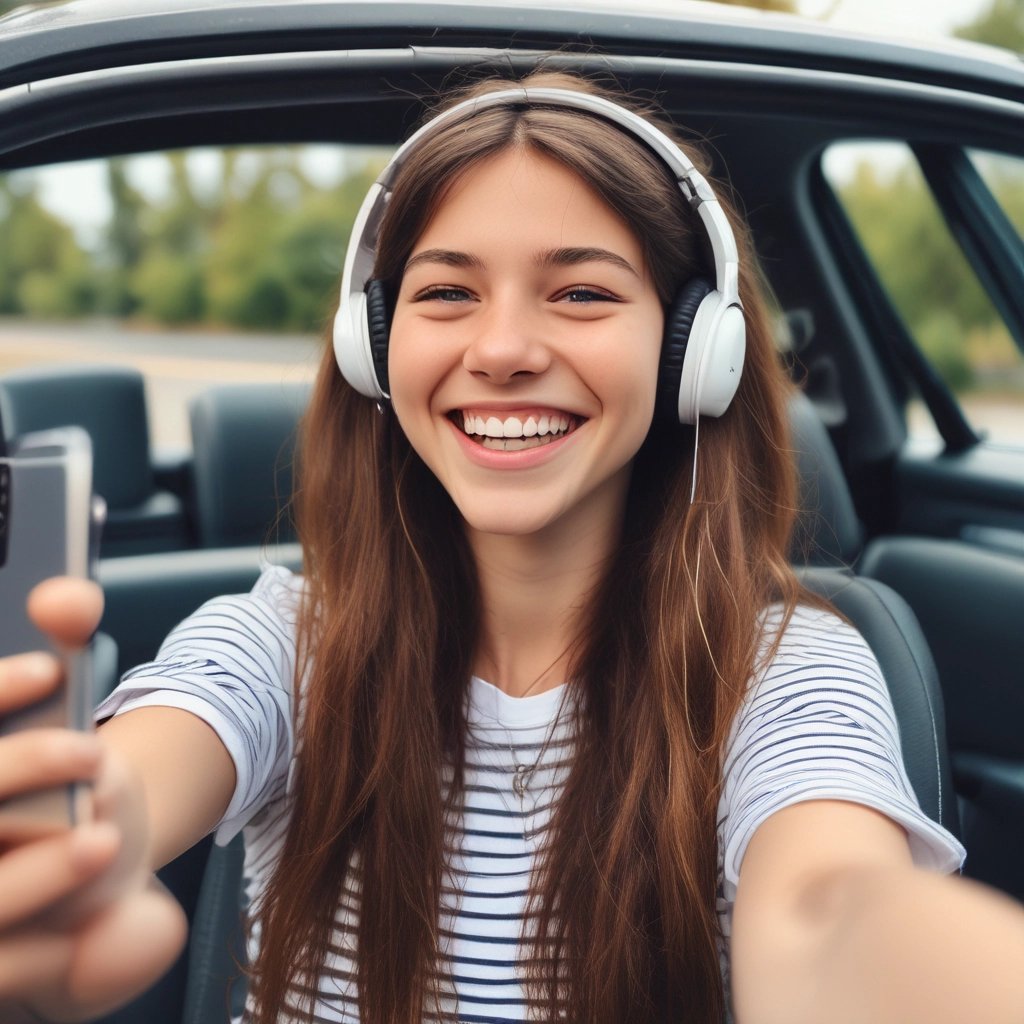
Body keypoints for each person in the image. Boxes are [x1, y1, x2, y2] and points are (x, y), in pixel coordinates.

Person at [1, 70, 1023, 1024]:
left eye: (580, 292)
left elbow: (827, 909)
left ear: (692, 352)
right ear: (373, 341)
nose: (500, 351)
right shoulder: (277, 644)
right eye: (447, 291)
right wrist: (66, 852)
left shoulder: (783, 668)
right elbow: (129, 783)